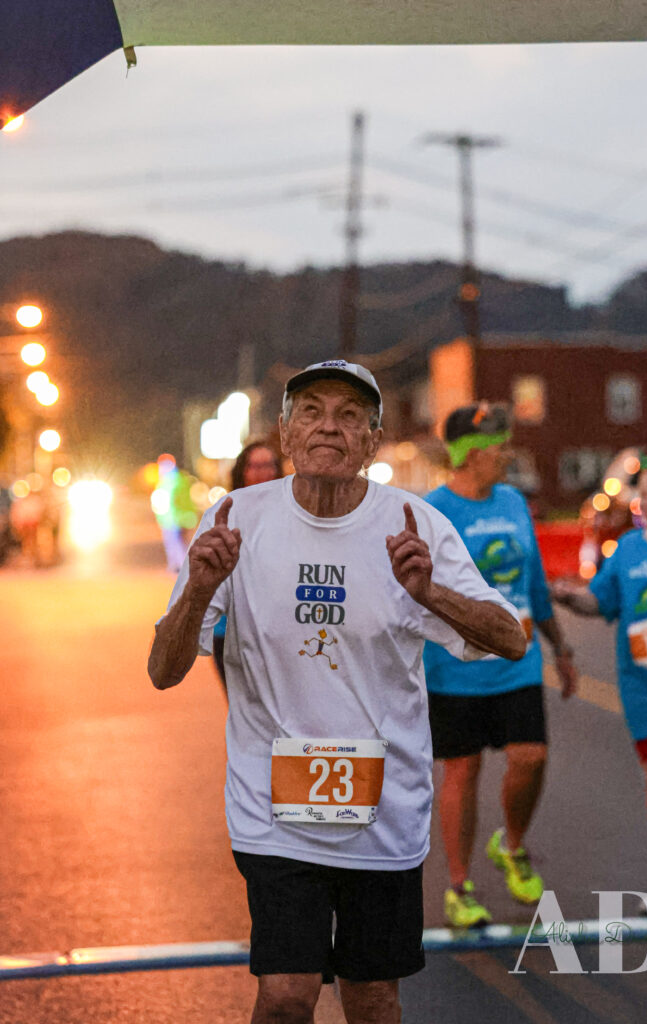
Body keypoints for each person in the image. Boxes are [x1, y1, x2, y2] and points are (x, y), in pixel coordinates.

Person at [148, 361, 526, 1024]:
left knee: (372, 1000)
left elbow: (510, 639)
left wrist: (428, 592)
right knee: (285, 997)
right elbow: (163, 669)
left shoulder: (413, 523)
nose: (329, 427)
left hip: (384, 813)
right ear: (286, 433)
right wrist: (201, 589)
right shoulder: (237, 518)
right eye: (312, 411)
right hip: (272, 811)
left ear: (373, 441)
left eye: (350, 415)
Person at [423, 402, 577, 928]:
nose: (507, 454)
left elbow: (534, 582)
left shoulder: (512, 501)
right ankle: (459, 887)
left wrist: (562, 648)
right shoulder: (432, 511)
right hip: (455, 666)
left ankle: (511, 845)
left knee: (531, 757)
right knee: (462, 770)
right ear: (468, 454)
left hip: (519, 658)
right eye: (497, 446)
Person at [553, 454, 647, 913]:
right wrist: (572, 598)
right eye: (642, 495)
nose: (646, 504)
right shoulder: (628, 548)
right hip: (642, 683)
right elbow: (601, 601)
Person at [212, 441, 283, 689]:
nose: (263, 473)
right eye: (255, 466)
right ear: (242, 471)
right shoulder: (226, 513)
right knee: (241, 705)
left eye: (269, 465)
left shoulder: (291, 514)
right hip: (231, 631)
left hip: (276, 631)